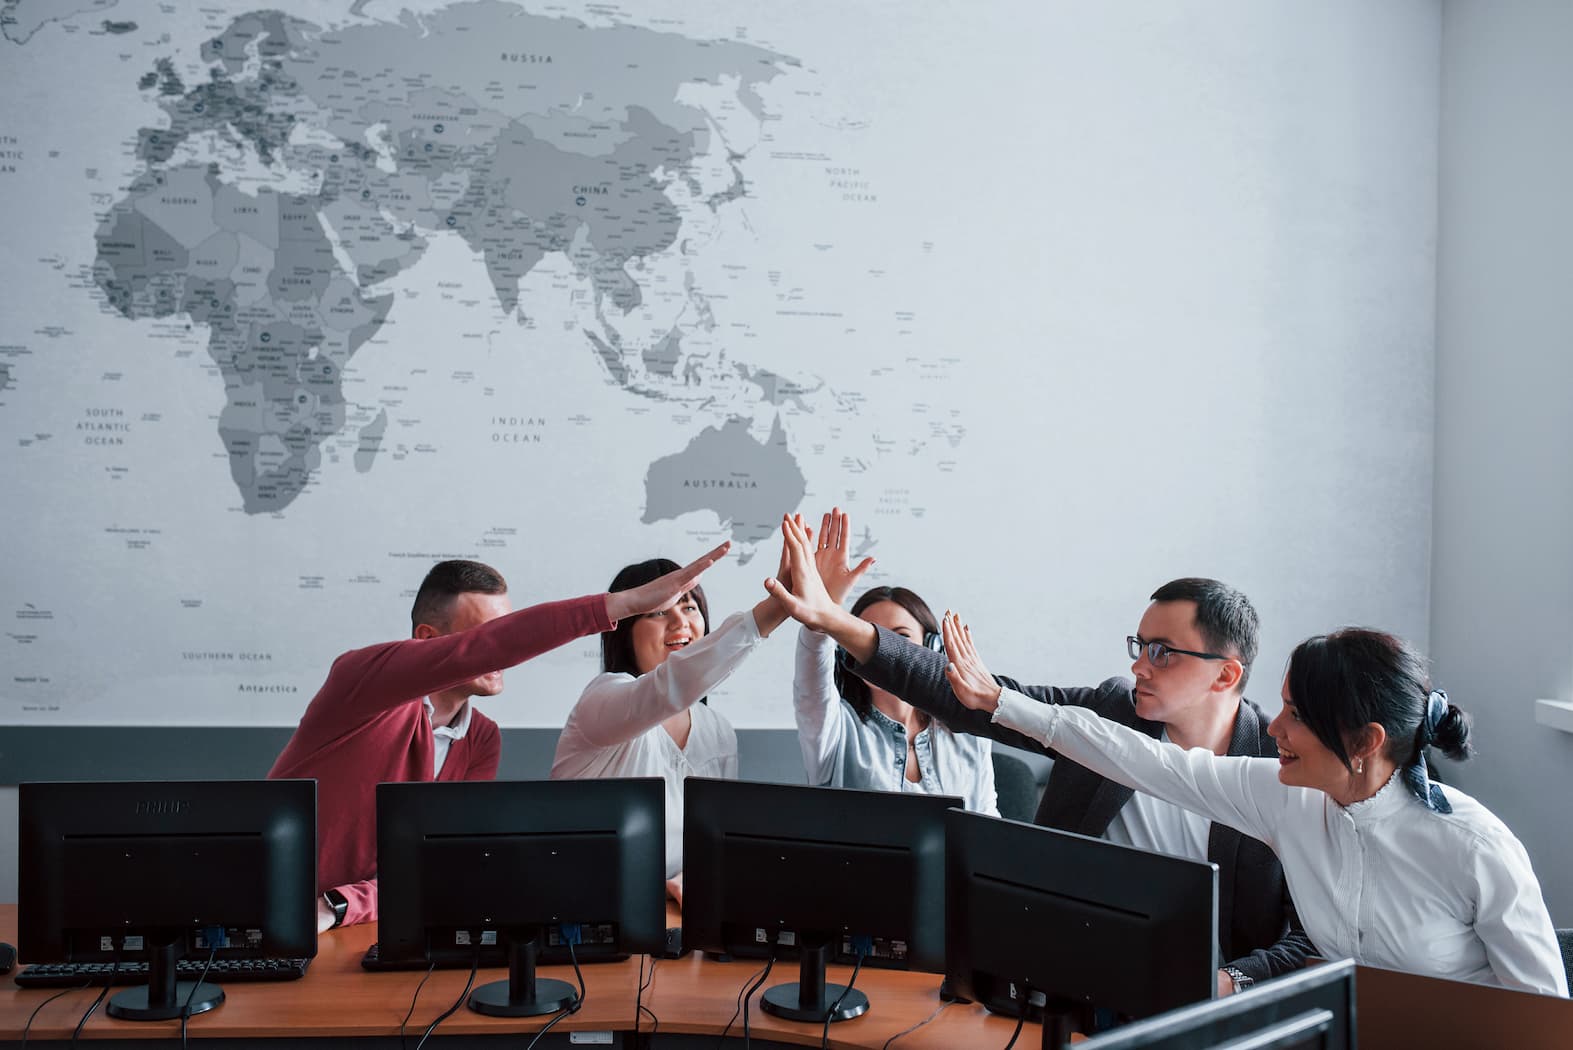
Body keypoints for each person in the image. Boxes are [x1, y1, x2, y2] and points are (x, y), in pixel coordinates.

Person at [763, 515, 1311, 994]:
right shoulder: (1111, 711)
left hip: (1201, 998)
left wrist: (1232, 980)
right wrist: (831, 620)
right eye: (1138, 647)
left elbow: (1307, 936)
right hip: (1065, 973)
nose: (1139, 665)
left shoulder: (1278, 766)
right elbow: (963, 693)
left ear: (1226, 673)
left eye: (1162, 653)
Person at [941, 616, 1569, 997]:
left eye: (1296, 716)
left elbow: (1542, 1015)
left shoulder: (1475, 847)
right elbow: (1139, 758)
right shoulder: (1282, 797)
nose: (1273, 730)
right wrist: (1001, 700)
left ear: (1364, 742)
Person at [269, 543, 729, 931]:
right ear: (428, 640)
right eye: (494, 637)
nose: (509, 653)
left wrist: (341, 905)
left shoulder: (481, 739)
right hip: (267, 910)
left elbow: (438, 863)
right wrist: (619, 605)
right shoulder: (360, 682)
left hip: (360, 926)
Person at [552, 532, 795, 906]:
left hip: (676, 921)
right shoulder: (603, 700)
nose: (680, 622)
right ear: (624, 632)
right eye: (659, 611)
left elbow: (714, 845)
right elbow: (667, 687)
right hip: (587, 911)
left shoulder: (718, 732)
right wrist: (772, 611)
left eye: (689, 607)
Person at [791, 509, 997, 814]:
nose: (885, 653)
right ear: (848, 655)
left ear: (930, 647)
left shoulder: (967, 732)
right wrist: (824, 616)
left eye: (901, 638)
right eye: (867, 640)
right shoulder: (836, 732)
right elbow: (811, 688)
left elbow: (988, 826)